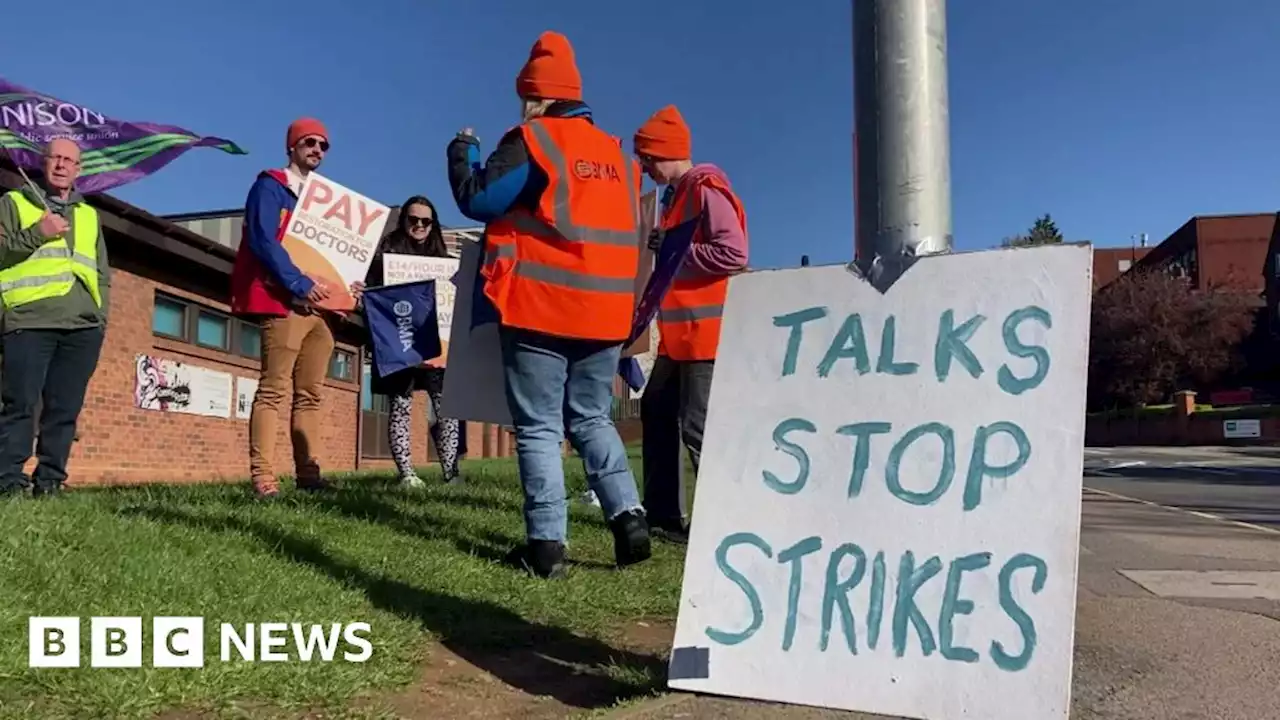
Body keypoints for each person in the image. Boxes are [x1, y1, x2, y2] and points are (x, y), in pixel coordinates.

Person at [446, 31, 651, 579]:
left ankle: (546, 548)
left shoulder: (533, 140)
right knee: (591, 418)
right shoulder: (617, 158)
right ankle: (629, 517)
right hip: (606, 315)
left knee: (538, 427)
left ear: (535, 98)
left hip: (542, 306)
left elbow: (479, 199)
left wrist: (462, 153)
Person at [632, 105, 749, 544]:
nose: (645, 169)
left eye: (647, 160)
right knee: (657, 412)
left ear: (665, 153)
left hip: (705, 334)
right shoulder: (678, 196)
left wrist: (677, 252)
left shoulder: (705, 189)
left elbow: (733, 254)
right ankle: (664, 518)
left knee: (699, 427)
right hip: (679, 338)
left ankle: (722, 523)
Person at [230, 117, 364, 498]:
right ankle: (263, 478)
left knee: (311, 394)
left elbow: (337, 255)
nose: (317, 150)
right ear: (292, 147)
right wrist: (299, 283)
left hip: (322, 312)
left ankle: (309, 475)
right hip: (284, 302)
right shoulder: (271, 186)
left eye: (323, 145)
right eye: (309, 142)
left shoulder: (330, 202)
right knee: (272, 389)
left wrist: (347, 285)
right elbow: (262, 239)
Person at [0, 138, 110, 498]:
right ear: (42, 163)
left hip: (82, 327)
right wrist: (38, 233)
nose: (61, 165)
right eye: (55, 158)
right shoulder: (14, 202)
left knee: (64, 409)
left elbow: (101, 273)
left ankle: (49, 481)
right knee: (21, 404)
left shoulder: (89, 215)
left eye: (69, 160)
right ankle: (8, 480)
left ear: (78, 170)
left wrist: (101, 318)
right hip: (29, 320)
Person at [364, 195, 462, 488]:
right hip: (400, 341)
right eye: (413, 219)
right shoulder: (385, 256)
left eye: (426, 221)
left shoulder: (446, 262)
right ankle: (407, 473)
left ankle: (451, 473)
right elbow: (370, 292)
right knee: (401, 404)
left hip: (437, 345)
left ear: (433, 225)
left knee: (447, 407)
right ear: (403, 220)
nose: (419, 225)